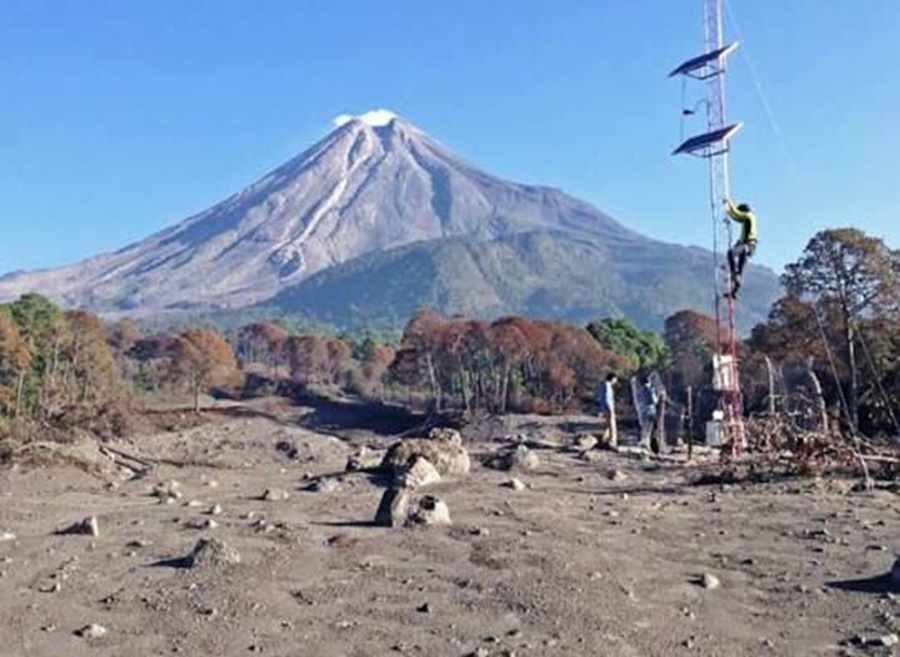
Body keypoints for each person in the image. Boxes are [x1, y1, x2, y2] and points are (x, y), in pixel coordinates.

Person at [724, 199, 758, 299]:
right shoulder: (750, 219)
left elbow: (737, 214)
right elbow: (737, 217)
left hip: (747, 246)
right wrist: (729, 214)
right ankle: (734, 292)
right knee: (740, 270)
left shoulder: (748, 216)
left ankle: (733, 273)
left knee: (730, 253)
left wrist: (729, 203)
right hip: (750, 247)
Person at [597, 372, 619, 448]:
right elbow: (607, 398)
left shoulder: (602, 386)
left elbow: (600, 398)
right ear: (612, 378)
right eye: (615, 379)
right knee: (612, 425)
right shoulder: (607, 386)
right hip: (608, 408)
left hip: (604, 408)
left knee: (607, 425)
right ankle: (612, 441)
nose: (616, 381)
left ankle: (604, 439)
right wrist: (610, 409)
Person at [638, 377, 659, 449]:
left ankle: (643, 441)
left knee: (644, 427)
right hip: (650, 410)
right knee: (651, 427)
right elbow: (654, 400)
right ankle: (648, 442)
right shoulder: (650, 389)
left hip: (642, 410)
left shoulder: (640, 389)